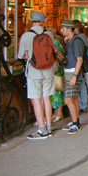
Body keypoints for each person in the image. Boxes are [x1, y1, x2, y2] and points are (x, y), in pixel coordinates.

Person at [18, 11, 56, 139]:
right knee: (47, 98)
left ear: (31, 21)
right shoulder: (49, 34)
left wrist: (28, 56)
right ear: (43, 21)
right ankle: (49, 126)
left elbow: (20, 55)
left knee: (36, 99)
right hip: (49, 70)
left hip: (34, 71)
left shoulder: (26, 36)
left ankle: (42, 129)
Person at [59, 20, 84, 135]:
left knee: (68, 99)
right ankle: (76, 120)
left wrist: (74, 76)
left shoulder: (76, 41)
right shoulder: (69, 41)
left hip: (73, 73)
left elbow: (79, 59)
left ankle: (75, 123)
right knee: (73, 98)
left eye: (63, 28)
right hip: (69, 71)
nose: (61, 31)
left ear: (69, 29)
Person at [46, 26, 65, 123]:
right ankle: (56, 112)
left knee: (57, 91)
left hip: (57, 69)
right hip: (54, 69)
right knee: (54, 92)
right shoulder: (53, 42)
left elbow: (61, 57)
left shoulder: (55, 42)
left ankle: (59, 113)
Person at [73, 20, 88, 113]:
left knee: (78, 84)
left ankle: (79, 105)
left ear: (77, 28)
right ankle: (84, 104)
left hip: (78, 63)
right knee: (82, 84)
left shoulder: (77, 38)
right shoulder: (83, 37)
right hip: (83, 63)